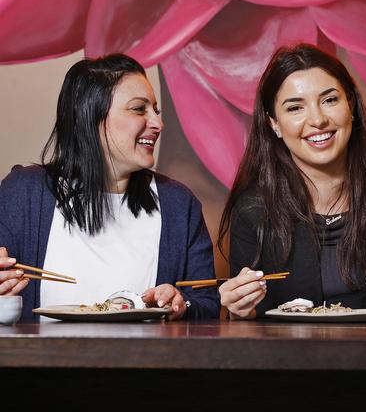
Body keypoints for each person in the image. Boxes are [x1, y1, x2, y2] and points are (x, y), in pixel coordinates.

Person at [217, 44, 366, 319]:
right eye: (295, 108)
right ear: (274, 124)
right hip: (290, 359)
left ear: (351, 106)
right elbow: (250, 325)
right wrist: (241, 311)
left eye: (330, 100)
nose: (317, 119)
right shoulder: (254, 209)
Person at [0, 54, 219, 321]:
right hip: (45, 362)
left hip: (144, 363)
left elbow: (207, 304)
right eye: (139, 109)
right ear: (91, 117)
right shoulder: (24, 194)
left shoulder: (178, 204)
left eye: (156, 110)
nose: (158, 124)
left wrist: (182, 304)